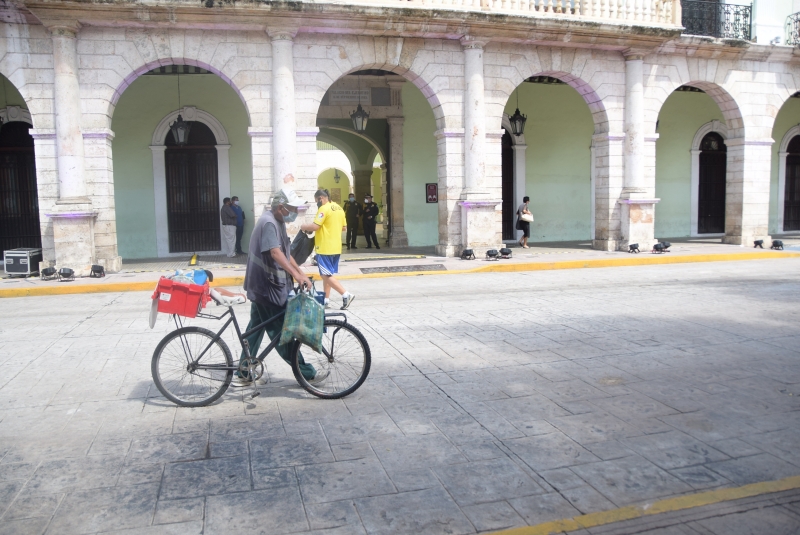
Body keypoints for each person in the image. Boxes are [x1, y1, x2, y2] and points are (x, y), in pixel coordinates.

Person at [238, 188, 325, 384]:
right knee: (280, 333)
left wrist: (300, 273)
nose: (294, 212)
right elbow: (276, 253)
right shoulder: (269, 222)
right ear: (281, 207)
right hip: (266, 287)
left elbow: (286, 254)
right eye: (292, 208)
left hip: (262, 286)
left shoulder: (276, 221)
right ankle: (307, 373)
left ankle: (243, 371)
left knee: (255, 328)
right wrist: (296, 275)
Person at [301, 189, 355, 310]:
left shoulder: (323, 209)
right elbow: (344, 228)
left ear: (321, 198)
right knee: (328, 274)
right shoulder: (339, 208)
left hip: (325, 247)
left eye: (317, 201)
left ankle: (346, 294)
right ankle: (326, 300)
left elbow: (315, 226)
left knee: (325, 275)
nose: (317, 204)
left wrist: (304, 226)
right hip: (336, 247)